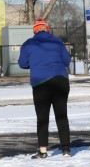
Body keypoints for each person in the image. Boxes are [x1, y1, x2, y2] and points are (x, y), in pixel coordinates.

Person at [18, 19, 72, 158]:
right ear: (47, 29)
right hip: (60, 80)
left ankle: (42, 151)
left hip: (40, 83)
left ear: (35, 31)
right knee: (62, 115)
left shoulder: (28, 44)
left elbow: (22, 63)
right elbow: (67, 61)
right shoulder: (57, 42)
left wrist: (34, 63)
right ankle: (66, 150)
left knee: (42, 118)